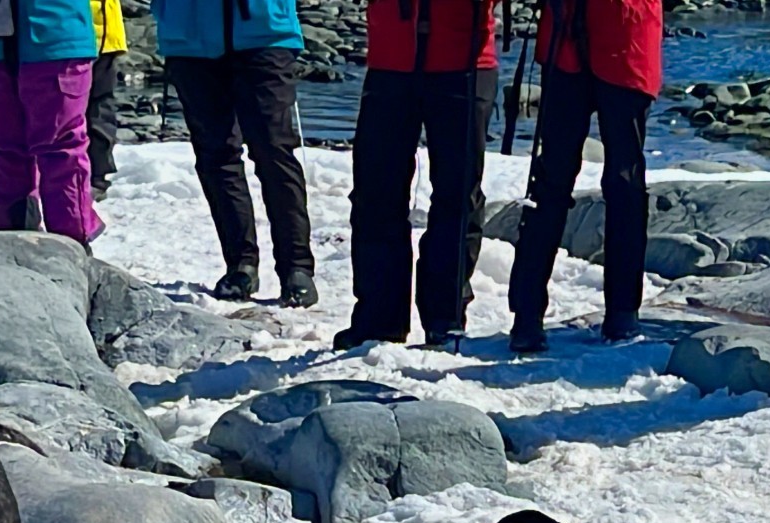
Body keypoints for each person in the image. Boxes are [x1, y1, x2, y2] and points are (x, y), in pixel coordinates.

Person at [335, 0, 500, 350]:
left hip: (464, 60)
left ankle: (446, 317)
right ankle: (379, 321)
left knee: (458, 195)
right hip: (391, 59)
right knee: (376, 193)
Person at [506, 0, 664, 352]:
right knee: (552, 181)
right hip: (570, 37)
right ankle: (527, 315)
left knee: (623, 181)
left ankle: (623, 312)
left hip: (627, 36)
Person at [152, 0, 317, 306]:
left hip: (264, 32)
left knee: (273, 151)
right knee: (216, 155)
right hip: (189, 37)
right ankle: (241, 265)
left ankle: (297, 268)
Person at [0, 0, 104, 242]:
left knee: (12, 145)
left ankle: (23, 236)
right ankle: (69, 237)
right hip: (53, 31)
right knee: (57, 145)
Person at [87, 0, 126, 201]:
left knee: (98, 108)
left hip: (100, 35)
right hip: (102, 35)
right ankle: (97, 176)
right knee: (100, 108)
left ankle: (95, 175)